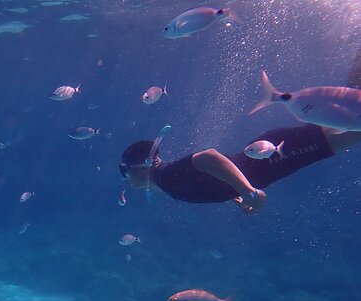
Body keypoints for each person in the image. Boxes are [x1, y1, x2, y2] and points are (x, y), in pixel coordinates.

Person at [119, 50, 361, 213]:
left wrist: (248, 191)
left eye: (126, 171)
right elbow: (209, 178)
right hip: (271, 159)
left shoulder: (168, 176)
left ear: (146, 163)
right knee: (349, 124)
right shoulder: (168, 182)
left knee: (351, 124)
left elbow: (208, 157)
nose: (126, 180)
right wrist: (239, 194)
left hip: (271, 155)